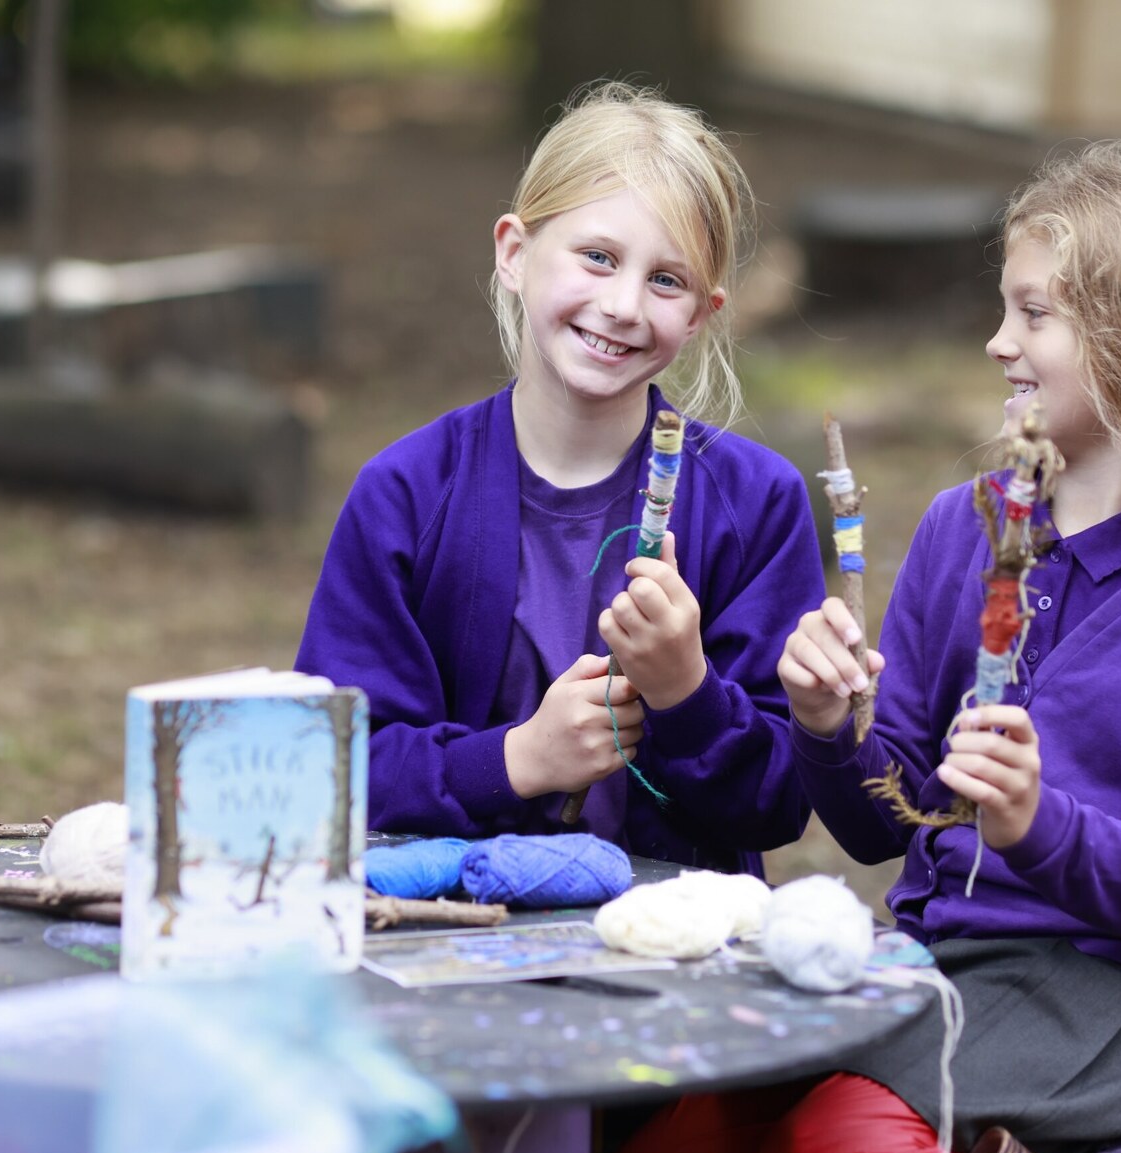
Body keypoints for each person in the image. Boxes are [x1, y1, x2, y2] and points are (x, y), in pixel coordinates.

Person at [604, 137, 1121, 1153]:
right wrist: (829, 728)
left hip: (1116, 990)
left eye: (1032, 314)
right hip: (950, 968)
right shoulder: (961, 530)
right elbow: (892, 823)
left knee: (841, 1142)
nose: (994, 342)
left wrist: (1039, 826)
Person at [294, 83, 823, 875]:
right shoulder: (406, 494)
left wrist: (687, 690)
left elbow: (779, 801)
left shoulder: (757, 503)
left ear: (703, 314)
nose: (621, 305)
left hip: (668, 957)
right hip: (445, 937)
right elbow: (328, 767)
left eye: (666, 280)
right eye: (599, 257)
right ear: (514, 253)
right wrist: (517, 759)